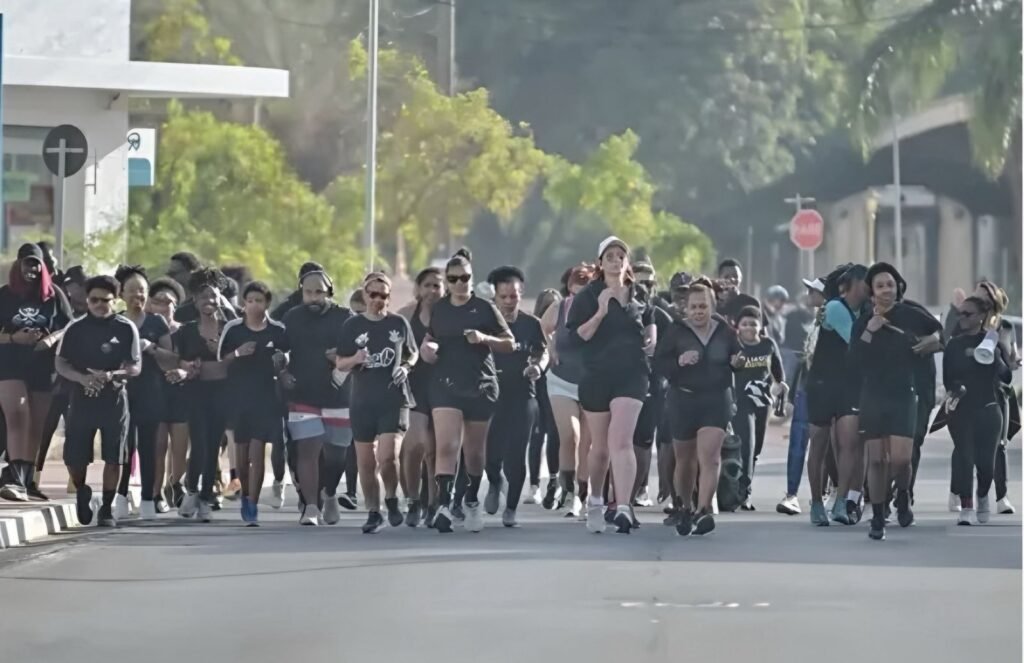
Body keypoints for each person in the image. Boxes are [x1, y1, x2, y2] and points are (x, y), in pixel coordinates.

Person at [566, 236, 656, 534]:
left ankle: (624, 507)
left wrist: (652, 337)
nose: (616, 261)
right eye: (610, 257)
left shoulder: (638, 292)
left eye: (621, 256)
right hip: (597, 375)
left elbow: (651, 318)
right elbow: (578, 338)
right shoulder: (588, 296)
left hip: (632, 374)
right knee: (601, 447)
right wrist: (601, 311)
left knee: (622, 440)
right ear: (600, 263)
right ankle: (595, 499)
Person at [421, 249, 515, 534]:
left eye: (465, 278)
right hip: (445, 384)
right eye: (454, 279)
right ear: (447, 282)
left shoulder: (485, 308)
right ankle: (445, 505)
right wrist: (428, 350)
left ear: (472, 279)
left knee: (473, 453)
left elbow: (509, 342)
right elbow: (431, 337)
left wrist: (484, 338)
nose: (460, 283)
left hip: (480, 385)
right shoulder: (440, 308)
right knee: (447, 446)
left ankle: (472, 500)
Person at [851, 262, 942, 541]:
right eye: (880, 286)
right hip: (874, 395)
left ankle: (903, 494)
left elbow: (940, 332)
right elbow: (853, 360)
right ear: (871, 292)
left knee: (901, 458)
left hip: (905, 393)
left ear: (897, 286)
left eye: (890, 284)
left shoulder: (910, 314)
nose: (886, 290)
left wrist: (933, 341)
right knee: (877, 460)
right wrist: (871, 330)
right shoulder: (864, 321)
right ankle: (878, 515)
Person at [656, 283, 744, 535]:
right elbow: (660, 364)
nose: (698, 312)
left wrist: (737, 362)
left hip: (716, 400)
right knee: (685, 459)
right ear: (686, 308)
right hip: (683, 399)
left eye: (703, 306)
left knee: (711, 457)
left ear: (711, 306)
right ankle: (684, 506)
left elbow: (738, 356)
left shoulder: (726, 331)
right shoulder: (676, 330)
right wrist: (679, 361)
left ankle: (704, 510)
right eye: (693, 307)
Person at [55, 275, 141, 527]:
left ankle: (106, 508)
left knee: (114, 456)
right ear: (87, 300)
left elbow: (135, 366)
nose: (100, 305)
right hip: (82, 398)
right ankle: (82, 490)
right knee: (74, 457)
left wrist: (112, 375)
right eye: (94, 300)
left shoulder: (126, 328)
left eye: (106, 300)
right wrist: (81, 379)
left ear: (115, 301)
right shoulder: (76, 328)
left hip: (114, 398)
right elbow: (61, 362)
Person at [336, 273, 418, 533]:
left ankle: (392, 498)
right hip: (362, 401)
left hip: (393, 399)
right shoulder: (352, 326)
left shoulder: (398, 323)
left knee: (387, 457)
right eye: (373, 294)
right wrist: (356, 359)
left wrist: (405, 367)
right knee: (366, 462)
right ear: (364, 294)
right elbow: (340, 362)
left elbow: (412, 353)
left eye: (383, 295)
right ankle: (374, 511)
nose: (378, 300)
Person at [281, 268, 354, 526]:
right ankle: (311, 507)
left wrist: (341, 357)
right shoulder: (292, 317)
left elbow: (359, 350)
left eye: (319, 292)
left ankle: (330, 493)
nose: (313, 298)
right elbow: (280, 350)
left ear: (329, 292)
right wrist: (282, 372)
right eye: (308, 292)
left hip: (339, 396)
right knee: (307, 450)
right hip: (303, 394)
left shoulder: (345, 317)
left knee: (336, 454)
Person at [0, 243, 72, 501]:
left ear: (43, 267)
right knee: (18, 414)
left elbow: (69, 325)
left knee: (37, 425)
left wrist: (50, 340)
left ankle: (27, 479)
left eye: (35, 263)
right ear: (17, 265)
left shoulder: (54, 295)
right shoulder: (5, 295)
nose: (30, 268)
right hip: (9, 364)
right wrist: (12, 338)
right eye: (26, 263)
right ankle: (14, 476)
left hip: (43, 367)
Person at [944, 281, 1019, 515]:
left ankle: (999, 495)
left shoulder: (1003, 328)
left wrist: (1006, 359)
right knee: (963, 448)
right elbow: (949, 348)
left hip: (994, 392)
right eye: (977, 296)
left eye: (985, 299)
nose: (979, 300)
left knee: (998, 445)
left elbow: (1007, 364)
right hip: (964, 393)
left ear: (991, 305)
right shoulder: (962, 326)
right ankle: (959, 492)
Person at [218, 281, 289, 527]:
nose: (254, 305)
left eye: (259, 301)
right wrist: (238, 354)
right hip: (238, 398)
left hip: (265, 397)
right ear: (243, 304)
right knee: (242, 453)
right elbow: (221, 361)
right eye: (250, 301)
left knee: (258, 452)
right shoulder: (233, 329)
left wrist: (283, 362)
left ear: (267, 303)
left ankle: (252, 503)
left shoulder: (277, 330)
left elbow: (287, 360)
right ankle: (244, 493)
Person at [483, 266, 548, 528]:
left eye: (515, 296)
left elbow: (542, 352)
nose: (510, 302)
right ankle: (495, 479)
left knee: (516, 453)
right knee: (489, 453)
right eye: (504, 297)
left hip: (522, 396)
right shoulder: (485, 324)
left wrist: (537, 367)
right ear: (495, 298)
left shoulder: (531, 324)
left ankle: (510, 508)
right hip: (490, 396)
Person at [806, 264, 869, 526]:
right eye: (867, 283)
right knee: (819, 444)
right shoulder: (834, 308)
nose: (871, 289)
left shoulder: (866, 310)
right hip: (822, 383)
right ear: (852, 285)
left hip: (849, 385)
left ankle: (842, 501)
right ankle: (817, 502)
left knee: (849, 443)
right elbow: (855, 341)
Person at [114, 266, 176, 520]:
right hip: (122, 392)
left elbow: (172, 359)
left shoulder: (156, 322)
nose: (137, 295)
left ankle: (148, 499)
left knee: (149, 446)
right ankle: (119, 495)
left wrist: (151, 348)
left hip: (150, 390)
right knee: (122, 446)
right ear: (121, 294)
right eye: (131, 290)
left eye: (141, 290)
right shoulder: (116, 321)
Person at [172, 268, 232, 522]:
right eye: (203, 297)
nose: (209, 301)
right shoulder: (186, 331)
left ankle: (206, 496)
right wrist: (189, 368)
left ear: (221, 299)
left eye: (214, 296)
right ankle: (192, 490)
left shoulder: (230, 328)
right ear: (194, 302)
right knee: (199, 446)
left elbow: (237, 361)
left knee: (213, 447)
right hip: (196, 393)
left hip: (222, 393)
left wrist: (222, 354)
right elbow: (181, 361)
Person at [540, 263, 595, 518]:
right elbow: (544, 326)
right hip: (562, 380)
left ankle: (584, 494)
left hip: (592, 382)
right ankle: (569, 490)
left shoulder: (600, 311)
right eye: (578, 284)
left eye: (587, 284)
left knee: (587, 443)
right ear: (570, 287)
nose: (581, 290)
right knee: (569, 436)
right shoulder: (560, 307)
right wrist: (551, 349)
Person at [397, 267, 445, 526]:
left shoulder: (450, 316)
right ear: (418, 289)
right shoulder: (405, 316)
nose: (431, 291)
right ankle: (413, 500)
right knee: (414, 445)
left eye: (437, 286)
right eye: (427, 285)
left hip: (441, 387)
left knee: (435, 451)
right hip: (413, 387)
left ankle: (434, 504)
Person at [776, 277, 826, 516]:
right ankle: (791, 494)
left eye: (813, 290)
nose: (808, 293)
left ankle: (827, 493)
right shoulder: (814, 320)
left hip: (827, 391)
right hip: (806, 389)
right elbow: (805, 360)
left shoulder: (834, 318)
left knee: (826, 446)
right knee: (798, 441)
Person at [731, 305, 786, 510]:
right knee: (746, 445)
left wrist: (781, 384)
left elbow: (778, 370)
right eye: (744, 323)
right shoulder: (735, 346)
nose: (749, 327)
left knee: (756, 449)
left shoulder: (768, 345)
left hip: (763, 403)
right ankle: (742, 492)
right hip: (741, 403)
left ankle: (746, 486)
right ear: (738, 326)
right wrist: (734, 365)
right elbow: (727, 370)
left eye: (753, 323)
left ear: (761, 325)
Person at [630, 260, 672, 510]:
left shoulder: (663, 316)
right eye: (639, 282)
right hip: (625, 382)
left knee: (652, 439)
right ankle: (625, 491)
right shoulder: (619, 309)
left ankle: (652, 489)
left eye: (649, 282)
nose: (644, 287)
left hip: (656, 382)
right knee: (628, 439)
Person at [146, 277, 188, 513]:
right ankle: (155, 492)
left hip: (181, 392)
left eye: (167, 302)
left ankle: (176, 485)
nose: (163, 306)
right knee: (158, 444)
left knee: (180, 445)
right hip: (155, 391)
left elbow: (192, 360)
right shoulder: (147, 329)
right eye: (157, 301)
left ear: (176, 304)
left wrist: (183, 370)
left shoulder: (184, 331)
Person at [528, 288, 562, 508]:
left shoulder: (564, 330)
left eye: (555, 305)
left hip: (557, 387)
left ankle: (554, 480)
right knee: (537, 436)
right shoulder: (533, 328)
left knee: (556, 436)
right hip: (538, 387)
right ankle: (533, 485)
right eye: (547, 305)